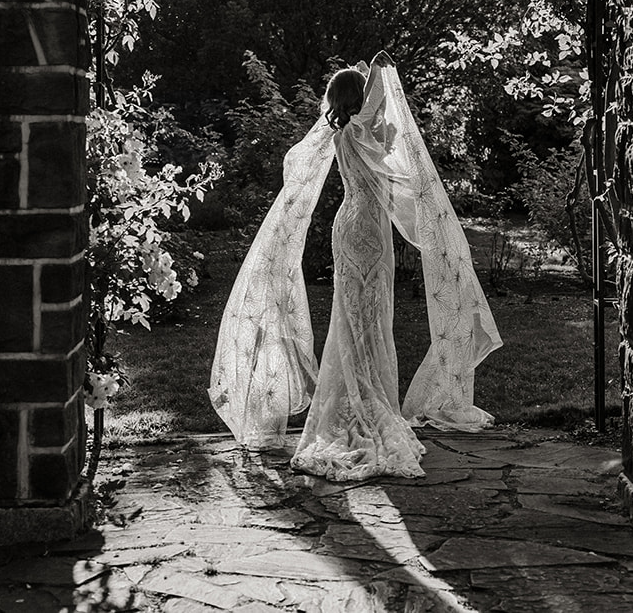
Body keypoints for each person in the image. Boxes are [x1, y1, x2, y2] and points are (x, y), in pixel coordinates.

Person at [208, 51, 502, 481]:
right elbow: (389, 139)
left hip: (353, 225)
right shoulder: (361, 135)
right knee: (362, 315)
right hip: (366, 229)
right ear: (359, 102)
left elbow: (377, 116)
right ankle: (364, 401)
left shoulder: (348, 132)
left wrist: (370, 75)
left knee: (360, 315)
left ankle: (364, 391)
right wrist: (382, 72)